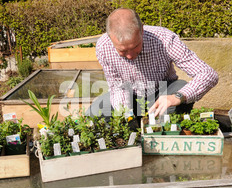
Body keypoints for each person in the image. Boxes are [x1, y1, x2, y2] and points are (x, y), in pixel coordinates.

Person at [88, 8, 218, 120]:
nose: (130, 55)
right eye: (122, 50)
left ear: (142, 31)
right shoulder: (103, 47)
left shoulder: (164, 38)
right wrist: (127, 115)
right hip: (131, 96)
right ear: (110, 39)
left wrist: (177, 97)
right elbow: (117, 87)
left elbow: (208, 74)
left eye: (135, 46)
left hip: (162, 91)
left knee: (180, 89)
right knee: (95, 113)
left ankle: (165, 133)